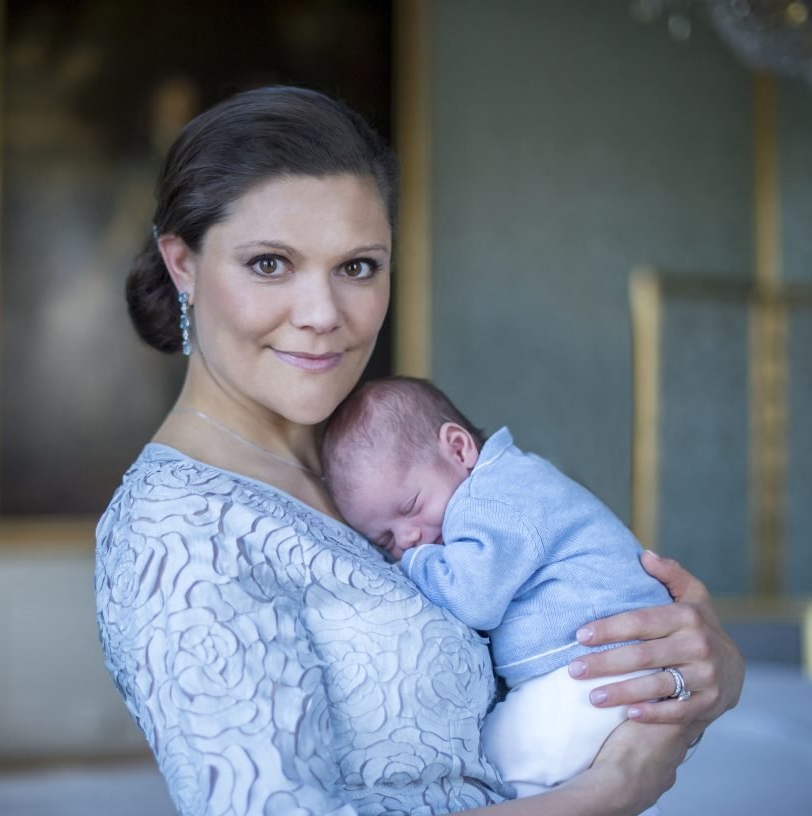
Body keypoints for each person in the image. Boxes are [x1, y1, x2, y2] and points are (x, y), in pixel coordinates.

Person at [95, 85, 745, 816]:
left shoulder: (382, 466)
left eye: (358, 267)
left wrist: (699, 669)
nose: (322, 316)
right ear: (182, 263)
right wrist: (613, 789)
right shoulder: (177, 536)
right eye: (270, 264)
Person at [322, 377, 674, 808]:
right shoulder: (505, 482)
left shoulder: (491, 502)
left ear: (457, 448)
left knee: (498, 761)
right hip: (606, 666)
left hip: (603, 668)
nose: (409, 537)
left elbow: (474, 599)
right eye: (385, 540)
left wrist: (410, 563)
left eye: (411, 506)